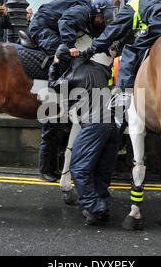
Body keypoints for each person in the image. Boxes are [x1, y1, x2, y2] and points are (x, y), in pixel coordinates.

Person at [28, 0, 115, 182]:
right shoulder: (83, 11)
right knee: (63, 53)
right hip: (42, 28)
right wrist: (69, 46)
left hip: (51, 25)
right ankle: (59, 90)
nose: (102, 21)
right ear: (95, 12)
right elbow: (65, 22)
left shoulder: (90, 11)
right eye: (102, 17)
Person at [50, 45, 118, 225]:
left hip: (94, 125)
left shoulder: (72, 76)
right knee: (100, 170)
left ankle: (96, 207)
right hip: (111, 126)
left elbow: (53, 86)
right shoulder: (100, 69)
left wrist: (55, 65)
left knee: (78, 168)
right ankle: (100, 207)